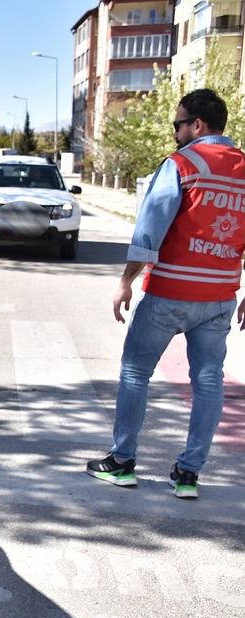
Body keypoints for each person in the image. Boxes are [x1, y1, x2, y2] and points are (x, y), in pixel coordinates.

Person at [87, 88, 245, 499]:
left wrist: (126, 279)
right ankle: (188, 475)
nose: (175, 132)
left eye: (178, 124)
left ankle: (121, 463)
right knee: (208, 381)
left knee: (136, 371)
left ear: (197, 125)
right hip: (219, 296)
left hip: (170, 291)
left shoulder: (183, 163)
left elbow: (150, 229)